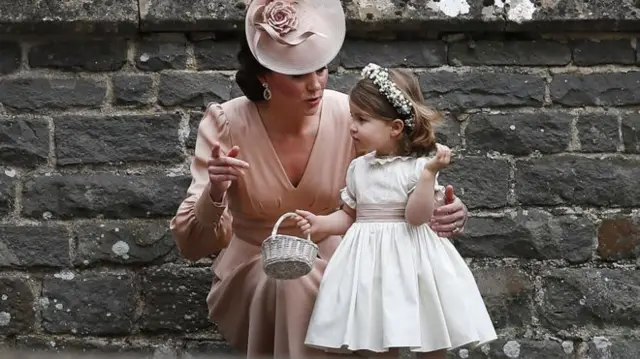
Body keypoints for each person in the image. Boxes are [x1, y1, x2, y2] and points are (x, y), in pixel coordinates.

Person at [169, 0, 470, 357]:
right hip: (258, 267)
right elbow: (191, 243)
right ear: (265, 75)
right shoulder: (226, 123)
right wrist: (216, 190)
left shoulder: (352, 118)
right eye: (298, 75)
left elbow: (400, 180)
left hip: (347, 261)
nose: (315, 85)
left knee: (364, 284)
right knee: (289, 280)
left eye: (321, 70)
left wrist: (448, 209)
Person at [295, 63, 497, 359]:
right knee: (377, 337)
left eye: (362, 119)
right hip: (369, 266)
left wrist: (429, 175)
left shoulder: (417, 168)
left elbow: (416, 218)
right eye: (353, 117)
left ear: (395, 127)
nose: (352, 126)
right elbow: (350, 215)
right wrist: (322, 224)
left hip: (414, 262)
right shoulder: (358, 168)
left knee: (429, 333)